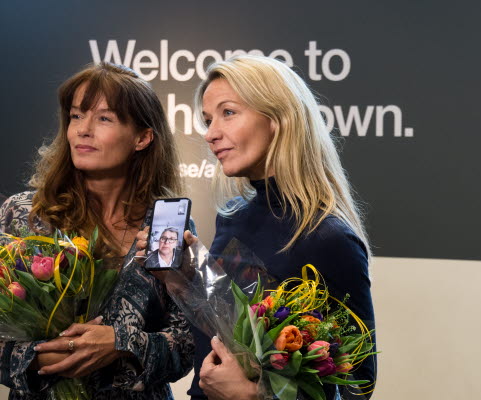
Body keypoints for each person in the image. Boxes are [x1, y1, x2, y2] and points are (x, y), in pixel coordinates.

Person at [148, 54, 377, 400]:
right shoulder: (232, 218)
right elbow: (224, 335)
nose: (211, 134)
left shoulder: (330, 238)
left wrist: (257, 396)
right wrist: (184, 278)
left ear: (278, 118)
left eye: (228, 113)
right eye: (208, 120)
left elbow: (359, 384)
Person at [0, 63, 193, 399]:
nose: (82, 130)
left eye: (104, 118)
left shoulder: (168, 225)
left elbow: (187, 346)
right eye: (76, 116)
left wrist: (122, 344)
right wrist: (40, 357)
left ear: (142, 137)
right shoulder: (24, 216)